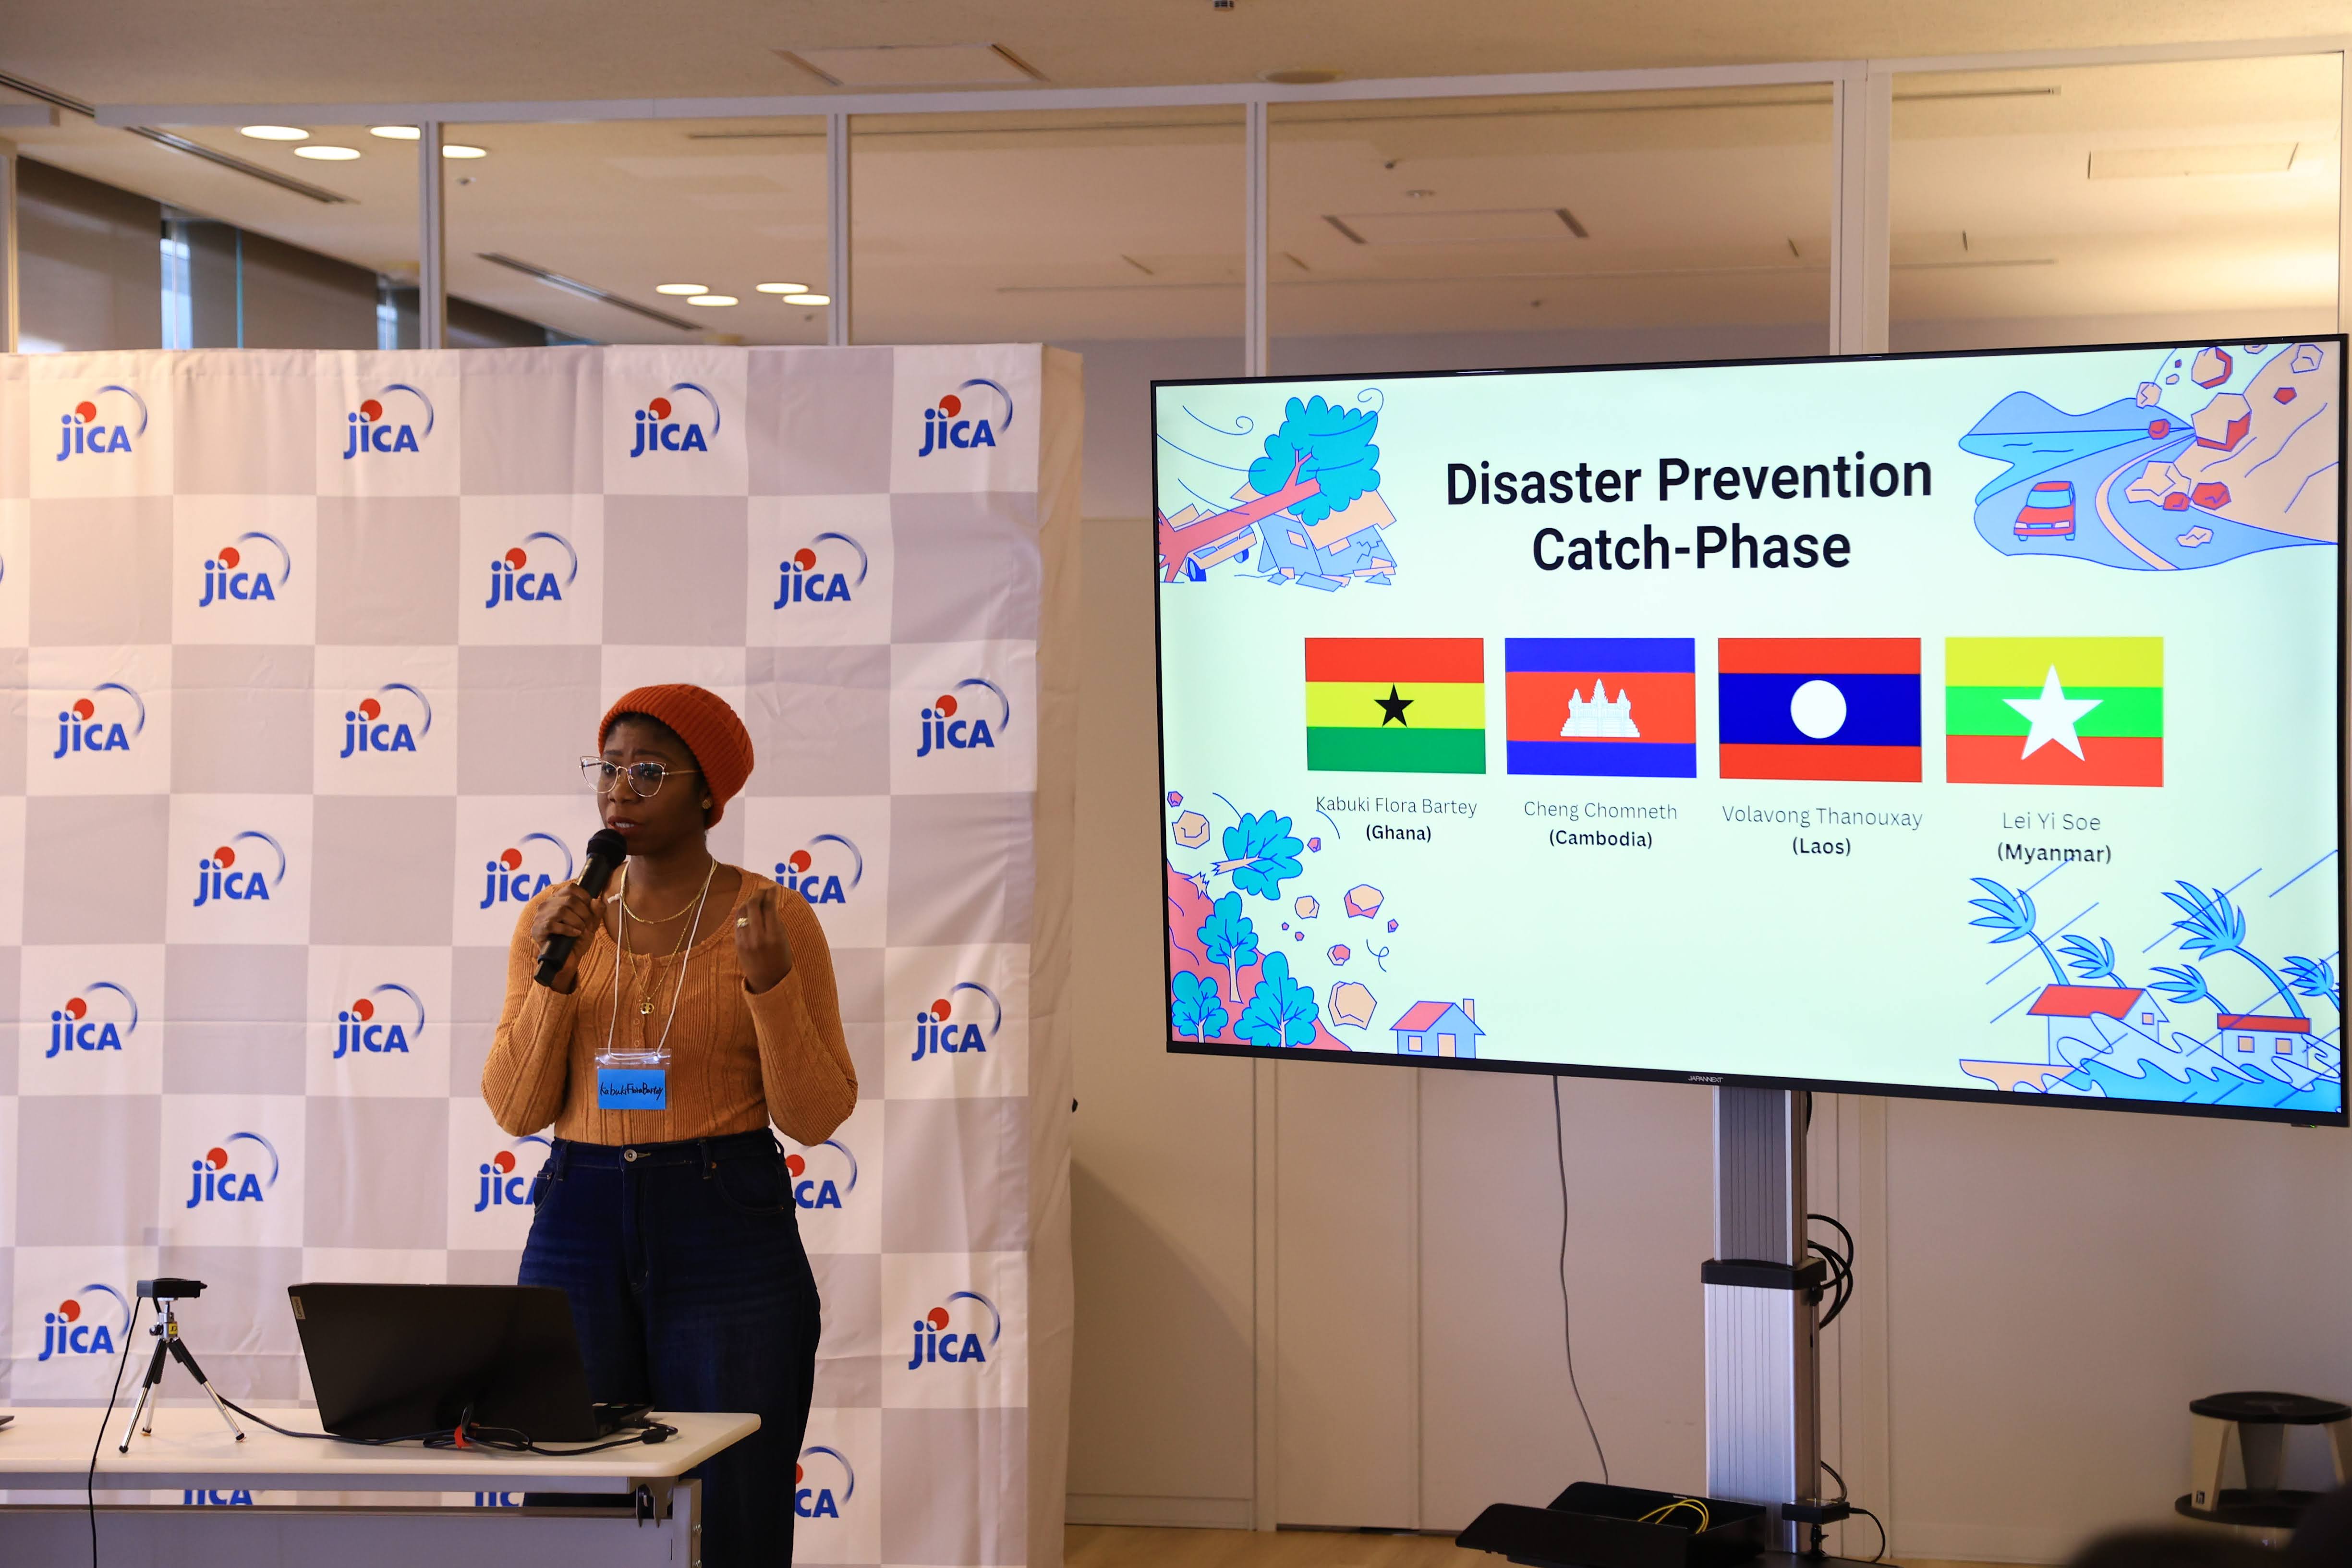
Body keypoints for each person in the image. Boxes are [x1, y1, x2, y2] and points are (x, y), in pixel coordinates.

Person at [483, 683, 857, 1566]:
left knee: (734, 1495)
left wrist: (769, 984)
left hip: (724, 1217)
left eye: (647, 771)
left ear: (708, 794)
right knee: (568, 1483)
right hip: (579, 1216)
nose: (619, 789)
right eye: (608, 768)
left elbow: (814, 1115)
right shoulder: (555, 920)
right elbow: (516, 1107)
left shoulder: (772, 917)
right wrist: (555, 975)